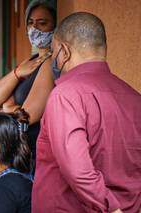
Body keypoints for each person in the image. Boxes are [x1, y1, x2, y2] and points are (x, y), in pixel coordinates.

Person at [32, 12, 141, 212]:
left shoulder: (65, 95)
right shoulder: (135, 98)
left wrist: (112, 208)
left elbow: (78, 171)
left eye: (54, 51)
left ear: (64, 51)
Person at [0, 0, 56, 157]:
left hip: (34, 149)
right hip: (19, 147)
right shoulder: (31, 61)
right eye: (30, 23)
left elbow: (29, 115)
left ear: (56, 26)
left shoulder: (50, 62)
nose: (35, 28)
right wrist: (16, 73)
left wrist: (7, 107)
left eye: (42, 23)